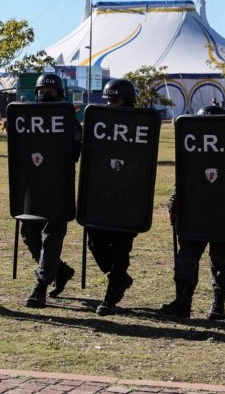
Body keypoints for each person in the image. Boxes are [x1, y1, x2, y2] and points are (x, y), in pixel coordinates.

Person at [159, 104, 225, 320]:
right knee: (187, 257)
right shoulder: (192, 145)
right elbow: (182, 178)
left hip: (223, 212)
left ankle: (218, 305)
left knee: (220, 259)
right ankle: (183, 302)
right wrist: (174, 205)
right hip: (195, 212)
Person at [21, 73, 82, 308]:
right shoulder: (27, 117)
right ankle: (60, 271)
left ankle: (40, 287)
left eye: (51, 92)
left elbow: (76, 152)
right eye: (41, 92)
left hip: (59, 187)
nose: (45, 96)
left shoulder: (69, 120)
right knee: (28, 233)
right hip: (33, 188)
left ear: (60, 94)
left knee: (51, 237)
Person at [86, 79, 139, 316]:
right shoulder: (100, 123)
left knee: (120, 249)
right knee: (95, 243)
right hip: (102, 198)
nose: (110, 105)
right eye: (107, 101)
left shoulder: (140, 124)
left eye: (115, 101)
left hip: (128, 198)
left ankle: (111, 295)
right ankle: (120, 278)